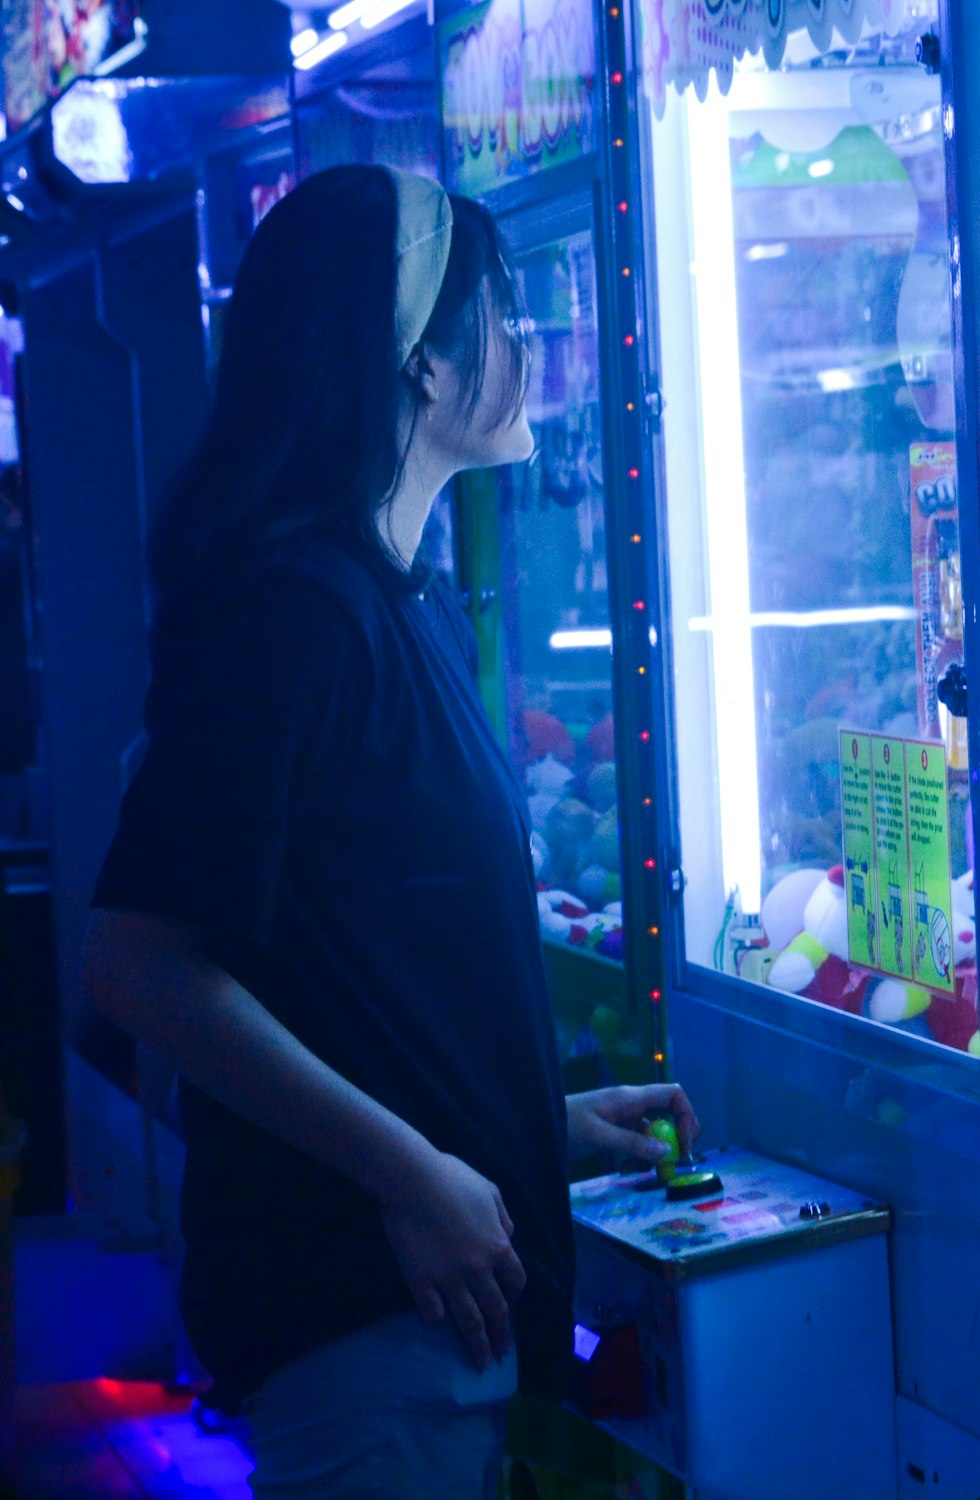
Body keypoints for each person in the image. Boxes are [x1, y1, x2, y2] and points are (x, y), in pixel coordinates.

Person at [82, 165, 699, 1500]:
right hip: (360, 1338)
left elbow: (357, 961)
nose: (532, 349)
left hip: (433, 1334)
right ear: (415, 366)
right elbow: (137, 959)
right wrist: (414, 1172)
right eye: (505, 319)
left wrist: (536, 1122)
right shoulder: (295, 615)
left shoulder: (393, 595)